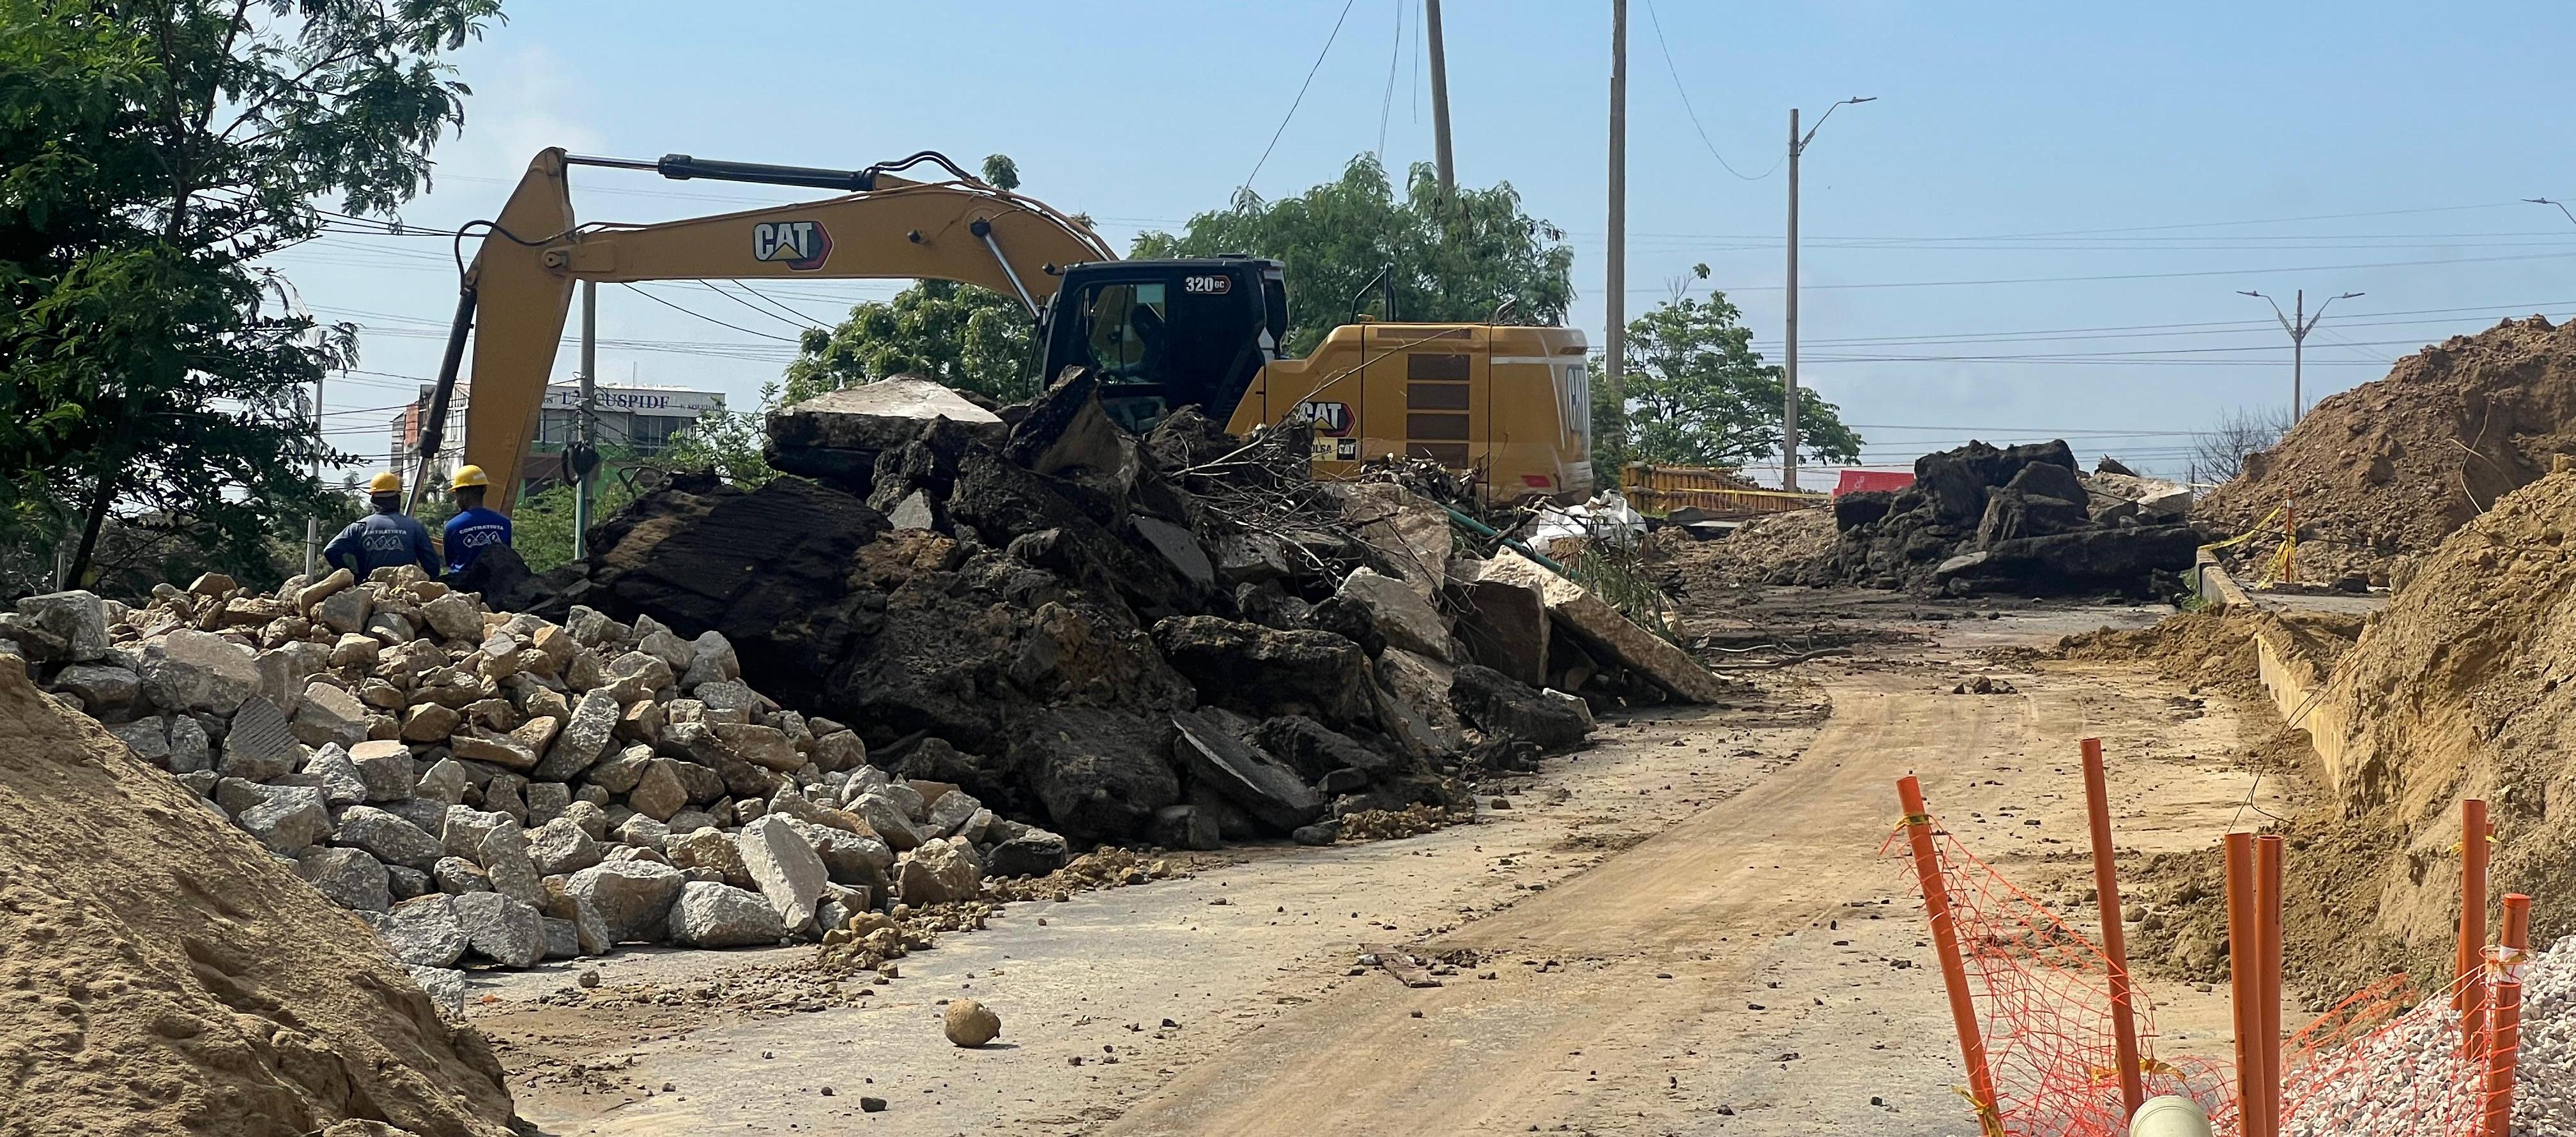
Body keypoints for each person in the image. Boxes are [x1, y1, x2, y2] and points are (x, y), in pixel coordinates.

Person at [323, 471, 441, 578]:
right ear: (398, 498)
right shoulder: (414, 527)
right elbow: (433, 566)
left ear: (373, 500)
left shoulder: (359, 527)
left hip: (368, 592)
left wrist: (354, 577)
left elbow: (331, 550)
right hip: (404, 594)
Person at [441, 464, 514, 574]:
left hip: (462, 587)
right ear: (484, 489)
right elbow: (506, 555)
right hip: (497, 585)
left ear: (460, 495)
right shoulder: (504, 523)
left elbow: (450, 560)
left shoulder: (452, 526)